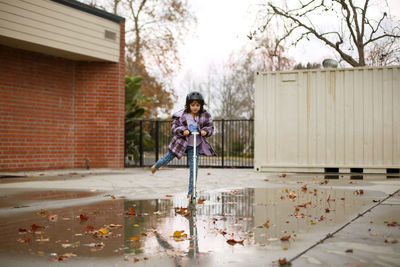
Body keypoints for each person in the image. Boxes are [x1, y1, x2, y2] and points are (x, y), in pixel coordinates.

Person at [151, 91, 216, 200]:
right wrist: (183, 130)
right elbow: (174, 127)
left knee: (194, 168)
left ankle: (191, 193)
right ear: (188, 105)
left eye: (197, 105)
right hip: (181, 143)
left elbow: (210, 127)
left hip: (195, 144)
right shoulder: (182, 115)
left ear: (201, 106)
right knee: (167, 158)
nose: (195, 108)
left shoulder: (205, 115)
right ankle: (156, 166)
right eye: (193, 105)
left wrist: (205, 131)